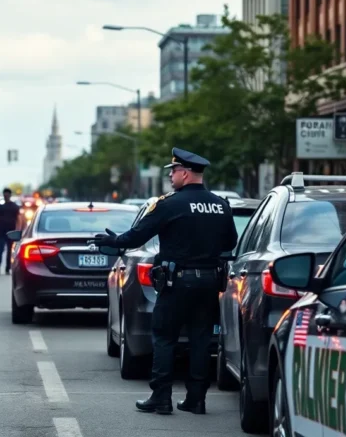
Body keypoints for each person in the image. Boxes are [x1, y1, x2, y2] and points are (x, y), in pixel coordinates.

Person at [94, 147, 238, 415]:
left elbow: (137, 236)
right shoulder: (220, 204)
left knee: (164, 337)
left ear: (185, 172)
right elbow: (231, 242)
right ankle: (196, 400)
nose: (171, 176)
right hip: (209, 283)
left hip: (177, 282)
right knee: (201, 340)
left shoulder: (169, 204)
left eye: (173, 171)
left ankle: (161, 397)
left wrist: (112, 241)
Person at [0, 188, 21, 274]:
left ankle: (4, 267)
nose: (6, 195)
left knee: (5, 250)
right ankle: (1, 267)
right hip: (4, 231)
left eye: (6, 194)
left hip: (8, 231)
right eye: (5, 194)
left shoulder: (12, 206)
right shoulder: (1, 206)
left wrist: (18, 230)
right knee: (3, 250)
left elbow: (18, 219)